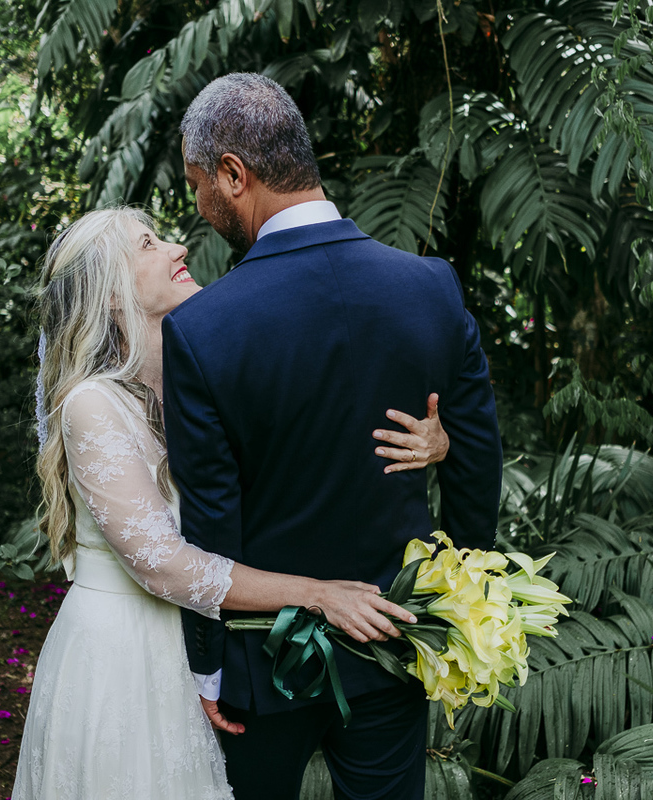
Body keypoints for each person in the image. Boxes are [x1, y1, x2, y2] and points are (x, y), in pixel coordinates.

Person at [10, 206, 451, 800]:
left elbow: (299, 451)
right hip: (124, 657)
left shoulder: (196, 372)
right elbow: (162, 562)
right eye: (147, 245)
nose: (175, 248)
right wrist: (317, 593)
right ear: (111, 294)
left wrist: (435, 444)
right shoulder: (93, 403)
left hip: (194, 646)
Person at [165, 73, 504, 800]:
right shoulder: (431, 287)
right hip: (395, 640)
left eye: (197, 184)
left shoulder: (201, 332)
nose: (197, 205)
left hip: (263, 667)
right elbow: (477, 462)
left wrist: (208, 667)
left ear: (234, 175)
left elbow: (212, 523)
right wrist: (458, 615)